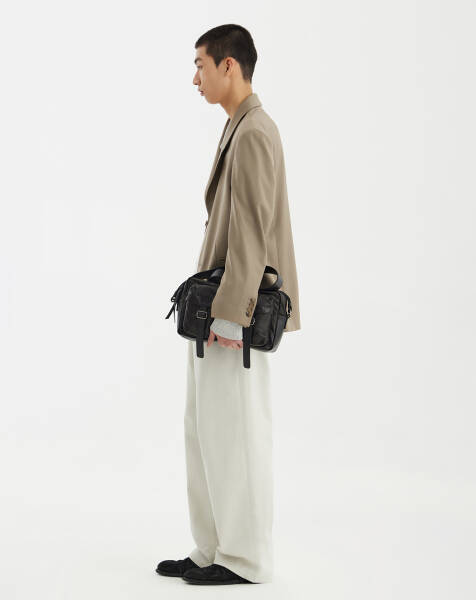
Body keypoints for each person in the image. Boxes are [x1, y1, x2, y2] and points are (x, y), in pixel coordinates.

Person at [156, 23, 301, 585]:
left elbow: (253, 233)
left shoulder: (256, 131)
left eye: (200, 65)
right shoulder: (238, 126)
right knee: (205, 430)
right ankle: (212, 548)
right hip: (219, 308)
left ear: (228, 66)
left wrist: (231, 315)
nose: (195, 78)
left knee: (236, 433)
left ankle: (246, 560)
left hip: (235, 314)